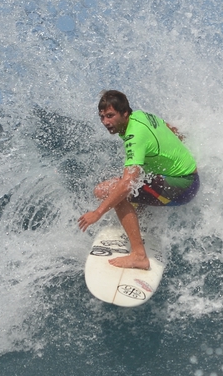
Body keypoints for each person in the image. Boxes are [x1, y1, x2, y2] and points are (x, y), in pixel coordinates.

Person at [77, 90, 200, 270]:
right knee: (108, 188)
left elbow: (127, 185)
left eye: (110, 116)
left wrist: (98, 212)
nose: (105, 122)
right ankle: (139, 217)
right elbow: (171, 129)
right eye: (102, 117)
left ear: (124, 113)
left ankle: (139, 255)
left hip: (183, 186)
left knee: (116, 192)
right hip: (183, 176)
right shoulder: (141, 116)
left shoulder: (134, 137)